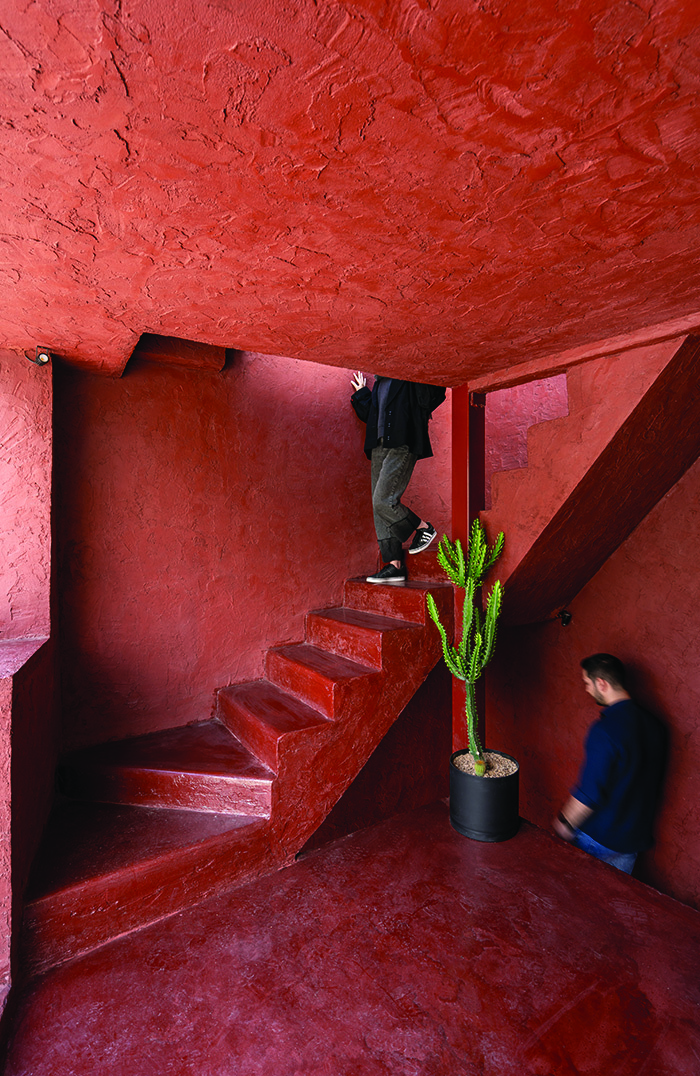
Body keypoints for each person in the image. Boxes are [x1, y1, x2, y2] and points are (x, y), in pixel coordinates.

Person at [553, 653, 666, 874]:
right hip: (632, 841)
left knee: (575, 901)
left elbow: (590, 793)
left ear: (601, 683)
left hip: (598, 838)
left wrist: (563, 825)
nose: (586, 689)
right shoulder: (656, 726)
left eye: (587, 683)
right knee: (609, 905)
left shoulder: (605, 731)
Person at [350, 372, 446, 584]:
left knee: (384, 501)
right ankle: (394, 565)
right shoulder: (379, 384)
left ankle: (423, 528)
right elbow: (371, 416)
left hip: (403, 442)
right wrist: (362, 394)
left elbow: (435, 394)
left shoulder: (408, 376)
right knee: (378, 507)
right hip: (379, 445)